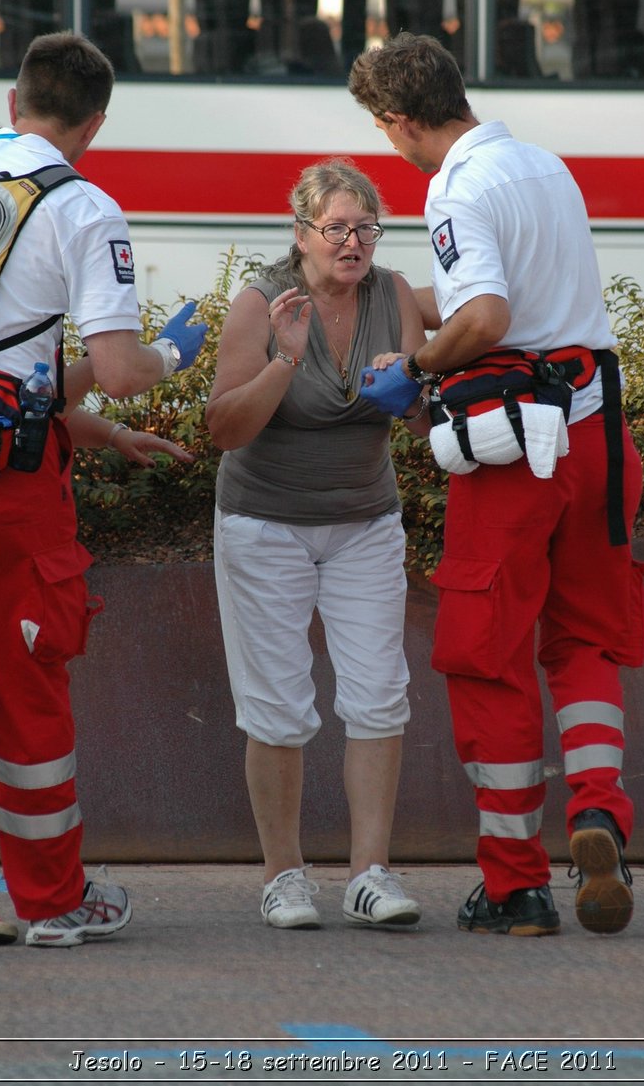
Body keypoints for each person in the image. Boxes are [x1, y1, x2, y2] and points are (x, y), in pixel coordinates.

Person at [349, 33, 644, 937]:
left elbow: (486, 314)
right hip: (598, 432)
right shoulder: (547, 167)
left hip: (514, 446)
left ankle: (516, 884)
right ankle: (598, 813)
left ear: (401, 120)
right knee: (587, 639)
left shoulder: (455, 186)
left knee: (487, 648)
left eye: (384, 129)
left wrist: (417, 362)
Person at [0, 33, 207, 948]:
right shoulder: (82, 206)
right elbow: (118, 368)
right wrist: (174, 350)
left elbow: (18, 363)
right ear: (94, 123)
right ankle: (51, 900)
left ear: (13, 100)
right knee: (28, 679)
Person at [205, 158, 429, 930]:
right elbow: (223, 428)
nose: (354, 242)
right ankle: (283, 876)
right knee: (277, 706)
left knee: (378, 694)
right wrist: (287, 359)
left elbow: (427, 424)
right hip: (265, 523)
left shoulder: (392, 294)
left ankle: (371, 874)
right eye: (337, 228)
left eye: (366, 226)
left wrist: (411, 386)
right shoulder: (263, 301)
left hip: (366, 519)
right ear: (301, 233)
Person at [0, 384, 194, 945]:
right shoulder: (1, 310)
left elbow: (32, 404)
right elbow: (80, 380)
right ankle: (30, 898)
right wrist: (165, 359)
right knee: (5, 703)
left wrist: (110, 433)